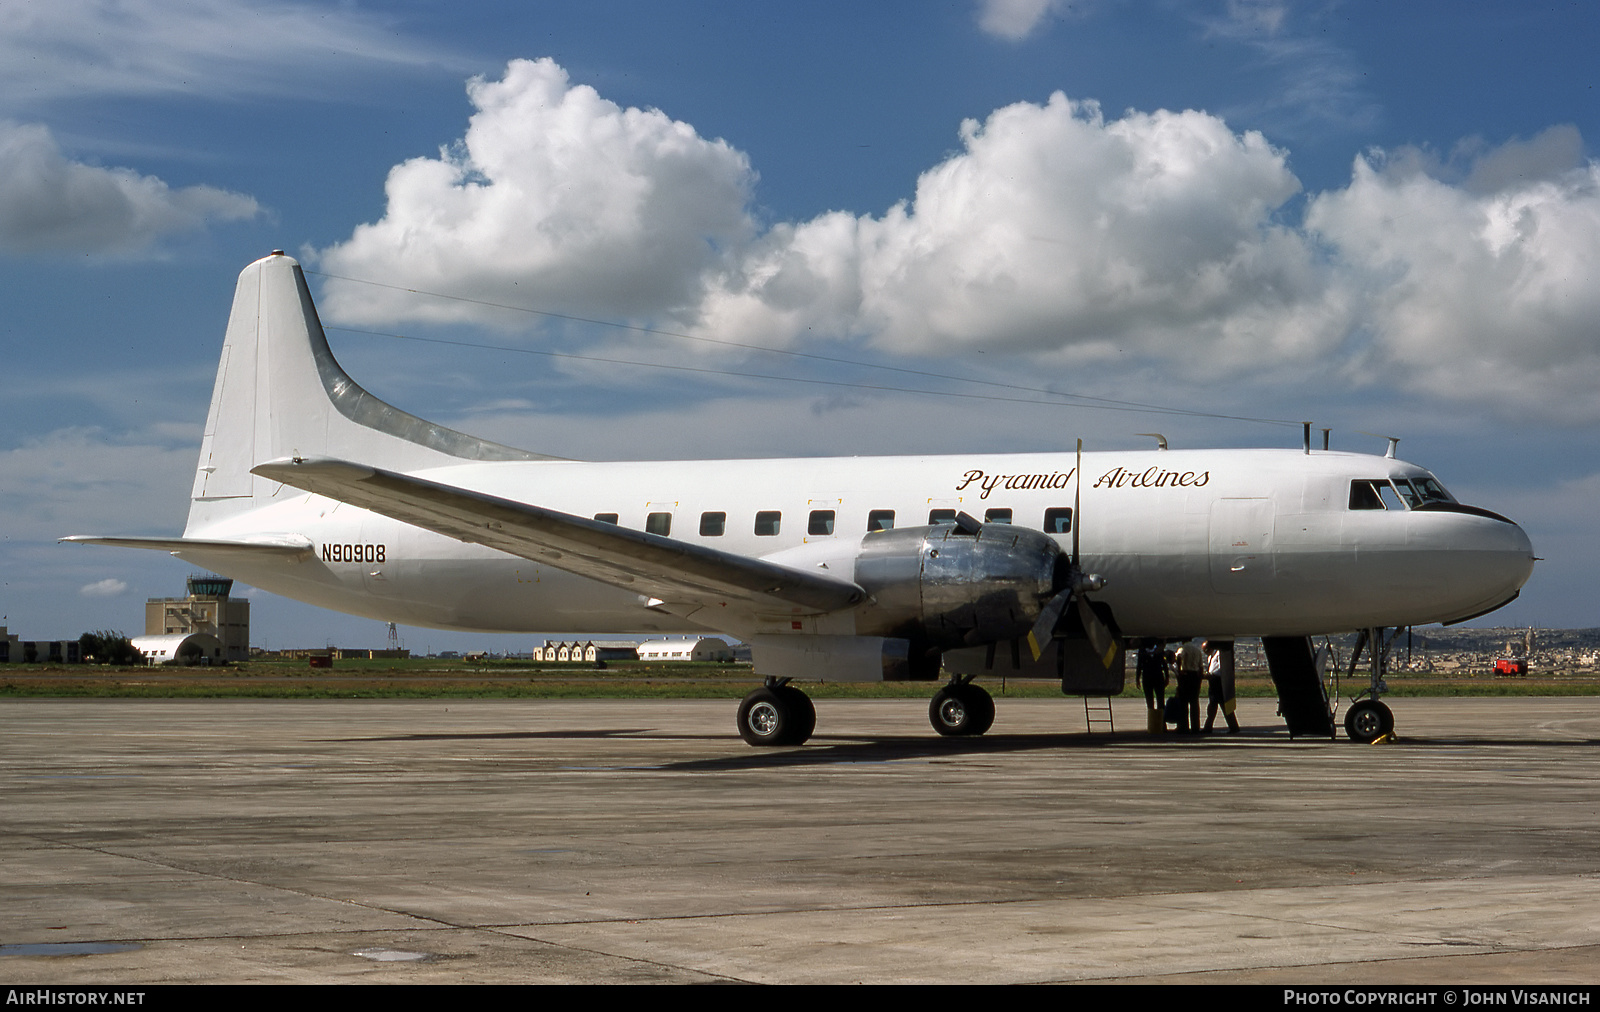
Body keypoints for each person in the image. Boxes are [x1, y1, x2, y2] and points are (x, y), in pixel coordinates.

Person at [1203, 640, 1241, 734]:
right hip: (1213, 680)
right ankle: (1209, 726)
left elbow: (1221, 668)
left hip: (1217, 680)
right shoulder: (1211, 656)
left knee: (1220, 705)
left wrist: (1211, 674)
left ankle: (1210, 727)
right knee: (1214, 705)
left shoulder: (1219, 654)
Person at [1135, 639, 1168, 733]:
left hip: (1147, 678)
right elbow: (1164, 665)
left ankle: (1153, 725)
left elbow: (1139, 666)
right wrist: (1167, 676)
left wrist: (1137, 678)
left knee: (1150, 702)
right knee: (1160, 701)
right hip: (1158, 677)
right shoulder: (1158, 651)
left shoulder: (1142, 651)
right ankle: (1162, 725)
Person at [1175, 638, 1204, 734]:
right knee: (1194, 703)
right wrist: (1199, 679)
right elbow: (1201, 666)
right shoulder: (1197, 650)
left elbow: (1179, 657)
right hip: (1195, 676)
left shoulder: (1183, 648)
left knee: (1183, 702)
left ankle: (1183, 726)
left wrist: (1179, 671)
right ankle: (1195, 727)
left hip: (1186, 675)